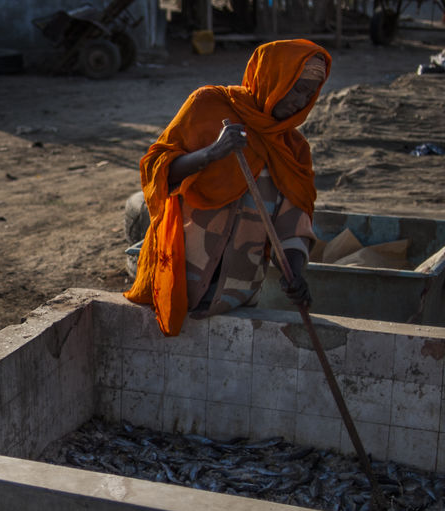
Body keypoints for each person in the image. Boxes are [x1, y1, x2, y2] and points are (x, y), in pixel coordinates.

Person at [124, 39, 331, 336]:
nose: (301, 102)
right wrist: (211, 153)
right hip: (178, 274)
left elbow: (294, 222)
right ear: (273, 77)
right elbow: (156, 169)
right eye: (297, 89)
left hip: (237, 293)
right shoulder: (209, 105)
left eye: (310, 94)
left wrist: (294, 273)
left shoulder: (293, 149)